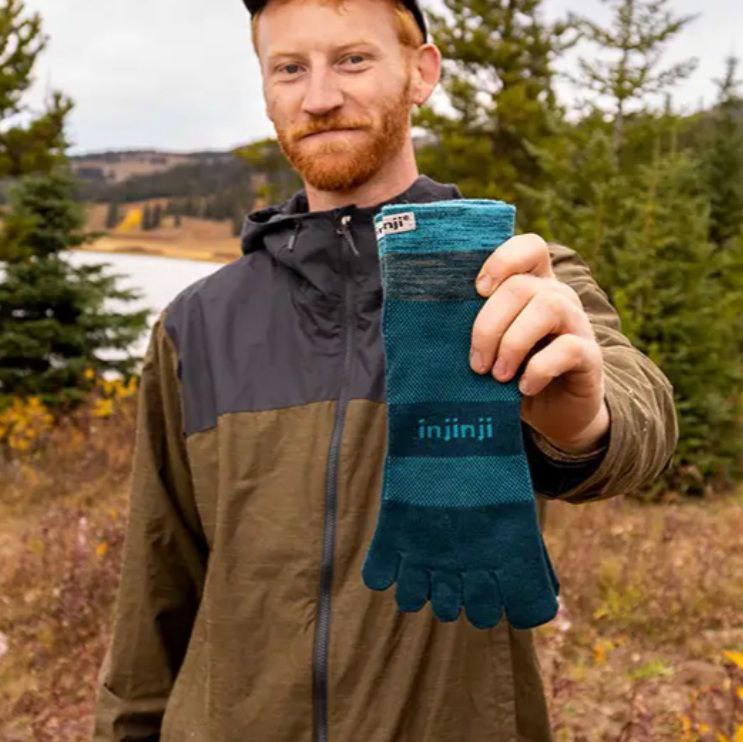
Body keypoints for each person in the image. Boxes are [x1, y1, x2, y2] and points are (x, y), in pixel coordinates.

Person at [92, 0, 678, 739]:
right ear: (265, 89)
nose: (319, 96)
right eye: (289, 68)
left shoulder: (513, 280)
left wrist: (583, 422)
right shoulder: (197, 324)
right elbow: (156, 582)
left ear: (420, 73)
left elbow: (642, 413)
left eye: (352, 59)